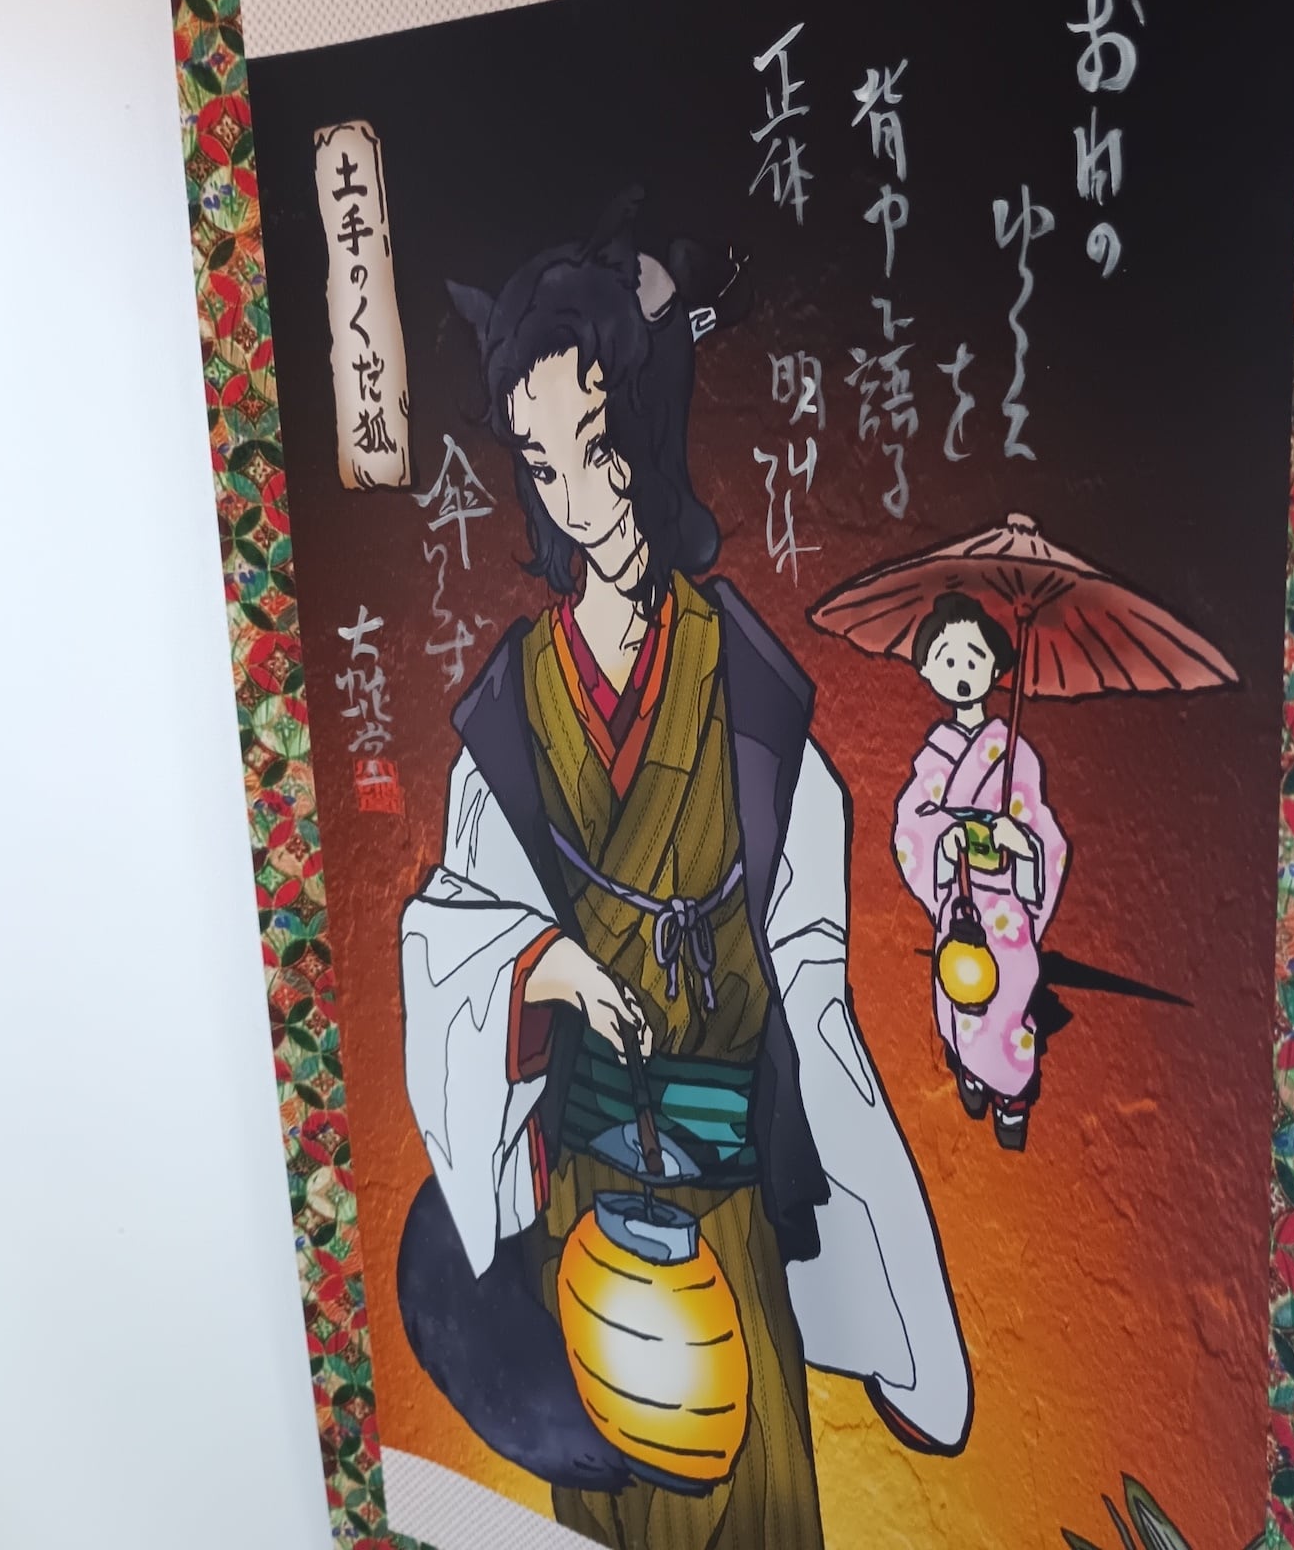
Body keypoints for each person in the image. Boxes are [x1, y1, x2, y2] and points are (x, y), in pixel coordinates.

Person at [394, 202, 970, 1550]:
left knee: (756, 1507)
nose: (575, 496)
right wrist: (545, 963)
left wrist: (873, 1224)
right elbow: (452, 932)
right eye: (542, 462)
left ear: (647, 435)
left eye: (597, 450)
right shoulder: (514, 711)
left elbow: (811, 982)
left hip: (727, 1213)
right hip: (584, 1219)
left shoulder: (753, 703)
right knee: (608, 1517)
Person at [892, 593, 1071, 1150]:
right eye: (948, 659)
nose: (962, 670)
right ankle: (971, 1073)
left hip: (1008, 907)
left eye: (974, 658)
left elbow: (1044, 831)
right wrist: (945, 841)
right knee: (961, 999)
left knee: (1011, 998)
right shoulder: (933, 759)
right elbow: (911, 827)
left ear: (995, 669)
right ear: (928, 670)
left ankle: (1012, 1097)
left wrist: (1024, 845)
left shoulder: (1016, 755)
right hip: (962, 903)